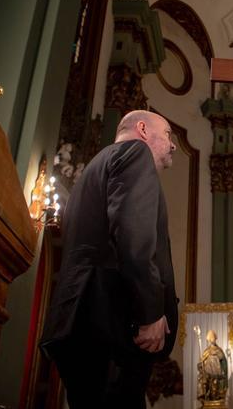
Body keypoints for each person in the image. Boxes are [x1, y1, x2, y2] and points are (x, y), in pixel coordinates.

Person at [40, 110, 179, 408]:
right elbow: (133, 235)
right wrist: (150, 312)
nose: (173, 145)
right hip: (112, 322)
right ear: (142, 129)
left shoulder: (95, 167)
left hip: (83, 319)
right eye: (168, 134)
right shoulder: (134, 153)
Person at [198, 330, 228, 402]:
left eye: (213, 338)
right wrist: (200, 366)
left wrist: (224, 371)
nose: (213, 340)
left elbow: (224, 362)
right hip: (208, 374)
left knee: (215, 390)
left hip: (217, 374)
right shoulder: (206, 351)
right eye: (211, 338)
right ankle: (205, 396)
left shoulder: (219, 350)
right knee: (204, 383)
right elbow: (201, 363)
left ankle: (216, 398)